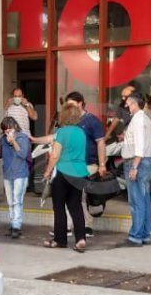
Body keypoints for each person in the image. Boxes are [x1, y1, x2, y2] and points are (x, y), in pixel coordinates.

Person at [42, 103, 89, 252]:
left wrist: (47, 171)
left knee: (59, 207)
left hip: (63, 172)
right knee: (76, 206)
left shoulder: (62, 132)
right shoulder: (81, 132)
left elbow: (55, 155)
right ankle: (81, 239)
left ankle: (59, 240)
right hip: (80, 173)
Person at [62, 91, 107, 236]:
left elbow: (100, 142)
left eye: (72, 104)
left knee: (81, 196)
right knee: (70, 195)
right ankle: (69, 225)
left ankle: (86, 225)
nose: (69, 107)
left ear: (80, 103)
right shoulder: (68, 120)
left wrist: (102, 164)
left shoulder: (92, 121)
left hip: (88, 164)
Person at [121, 91, 151, 247]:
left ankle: (136, 236)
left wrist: (135, 166)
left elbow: (140, 146)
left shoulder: (137, 120)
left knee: (136, 201)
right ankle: (144, 234)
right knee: (144, 200)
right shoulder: (146, 119)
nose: (126, 106)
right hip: (146, 162)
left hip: (136, 162)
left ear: (135, 104)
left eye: (128, 103)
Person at [0, 115, 31, 238]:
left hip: (20, 173)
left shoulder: (22, 137)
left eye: (10, 128)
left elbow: (23, 154)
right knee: (10, 201)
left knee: (17, 200)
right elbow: (0, 155)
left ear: (15, 127)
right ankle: (12, 224)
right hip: (7, 173)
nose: (8, 131)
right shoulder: (3, 139)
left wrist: (13, 142)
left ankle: (17, 226)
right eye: (5, 129)